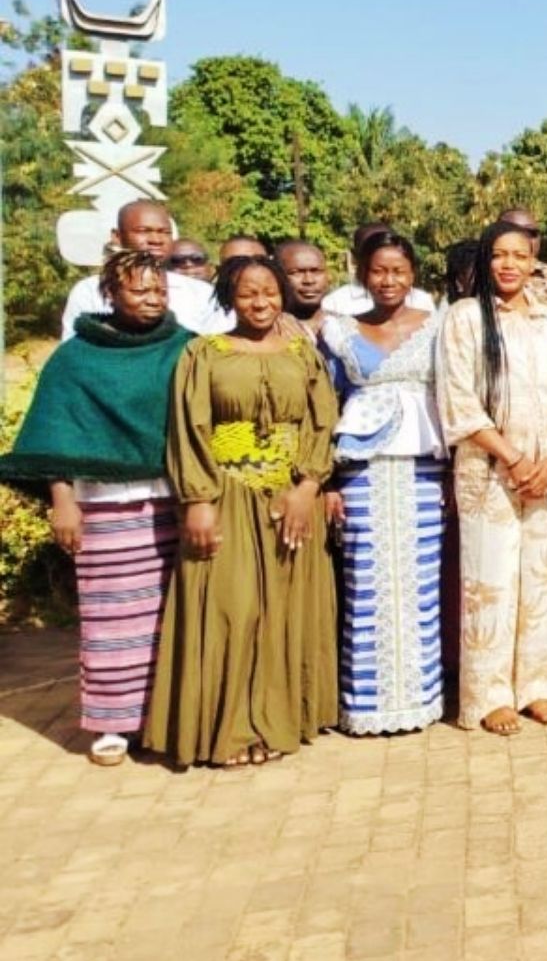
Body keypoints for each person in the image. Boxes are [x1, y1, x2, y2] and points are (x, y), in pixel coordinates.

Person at [144, 255, 340, 767]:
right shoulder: (202, 354)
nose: (261, 302)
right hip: (227, 496)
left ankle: (278, 723)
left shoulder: (304, 354)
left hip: (292, 500)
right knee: (234, 611)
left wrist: (306, 488)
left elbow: (322, 425)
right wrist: (199, 501)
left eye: (270, 292)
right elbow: (189, 431)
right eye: (248, 293)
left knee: (283, 611)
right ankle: (228, 729)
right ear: (229, 297)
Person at [0, 250, 195, 766]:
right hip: (104, 509)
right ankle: (112, 725)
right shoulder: (75, 359)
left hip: (176, 502)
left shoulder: (185, 349)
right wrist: (62, 502)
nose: (152, 299)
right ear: (111, 293)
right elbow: (55, 432)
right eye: (139, 290)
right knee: (113, 618)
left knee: (175, 615)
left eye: (160, 290)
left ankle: (170, 716)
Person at [438, 220, 547, 734]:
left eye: (520, 256)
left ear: (533, 262)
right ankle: (488, 695)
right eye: (499, 255)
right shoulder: (465, 319)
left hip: (546, 473)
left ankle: (539, 686)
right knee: (492, 581)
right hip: (489, 470)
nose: (509, 265)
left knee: (545, 579)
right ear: (485, 260)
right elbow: (459, 400)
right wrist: (515, 460)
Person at [319, 230, 447, 735]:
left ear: (413, 274)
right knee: (365, 580)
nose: (388, 280)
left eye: (398, 270)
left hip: (423, 467)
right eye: (378, 270)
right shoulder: (337, 332)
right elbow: (326, 404)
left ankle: (421, 697)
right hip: (361, 470)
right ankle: (366, 703)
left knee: (421, 582)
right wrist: (328, 482)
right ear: (361, 274)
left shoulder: (438, 327)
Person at [62, 199, 223, 338]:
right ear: (117, 237)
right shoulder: (89, 291)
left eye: (164, 232)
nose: (156, 240)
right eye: (143, 231)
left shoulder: (201, 293)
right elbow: (74, 351)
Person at [322, 222, 437, 316]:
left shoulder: (421, 302)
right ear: (355, 255)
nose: (388, 282)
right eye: (369, 251)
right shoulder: (335, 303)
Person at [276, 240, 332, 341]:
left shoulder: (349, 322)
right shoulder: (268, 328)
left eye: (316, 271)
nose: (309, 280)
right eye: (296, 273)